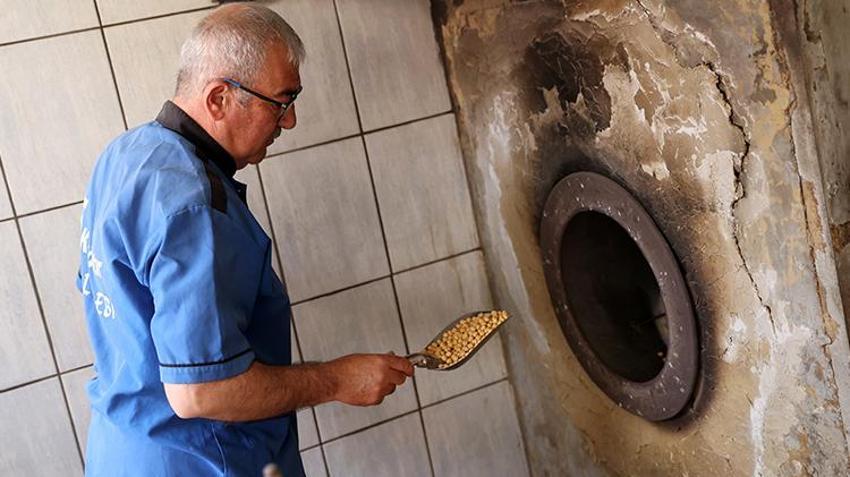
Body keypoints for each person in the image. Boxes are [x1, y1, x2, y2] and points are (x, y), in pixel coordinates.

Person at [77, 4, 414, 476]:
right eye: (281, 101)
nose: (290, 121)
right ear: (218, 98)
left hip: (121, 450)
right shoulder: (194, 207)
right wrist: (338, 379)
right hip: (195, 461)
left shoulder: (127, 153)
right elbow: (201, 391)